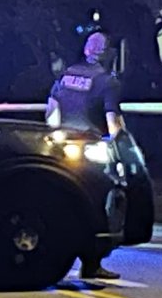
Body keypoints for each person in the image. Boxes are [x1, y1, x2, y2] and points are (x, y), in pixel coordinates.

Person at [46, 31, 124, 280]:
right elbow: (113, 124)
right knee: (97, 205)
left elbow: (52, 112)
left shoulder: (66, 74)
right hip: (91, 151)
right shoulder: (106, 81)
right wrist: (123, 151)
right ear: (107, 52)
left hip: (63, 148)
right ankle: (91, 263)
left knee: (63, 203)